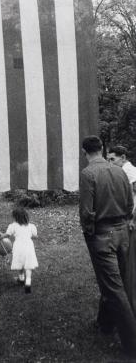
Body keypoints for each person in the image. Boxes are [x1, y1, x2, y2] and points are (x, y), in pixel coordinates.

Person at [79, 135, 136, 356]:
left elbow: (86, 212)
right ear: (102, 149)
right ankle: (105, 323)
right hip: (123, 233)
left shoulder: (88, 173)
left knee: (114, 288)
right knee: (115, 281)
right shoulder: (120, 170)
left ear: (85, 153)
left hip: (102, 235)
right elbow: (131, 203)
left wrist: (89, 233)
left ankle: (132, 346)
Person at [108, 146, 136, 317]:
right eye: (108, 159)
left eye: (113, 159)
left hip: (132, 220)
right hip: (126, 218)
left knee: (130, 263)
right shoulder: (122, 171)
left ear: (123, 157)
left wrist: (132, 219)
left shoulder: (129, 171)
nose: (110, 163)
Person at [0, 202, 38, 294]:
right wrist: (31, 236)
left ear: (15, 217)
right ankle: (28, 283)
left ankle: (21, 279)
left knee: (20, 262)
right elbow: (35, 236)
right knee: (28, 265)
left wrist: (0, 237)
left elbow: (7, 235)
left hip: (18, 246)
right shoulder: (31, 226)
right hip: (28, 246)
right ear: (26, 216)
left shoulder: (13, 226)